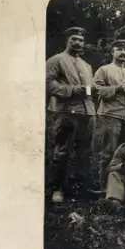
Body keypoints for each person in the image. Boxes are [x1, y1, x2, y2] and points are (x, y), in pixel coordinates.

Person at [45, 26, 96, 202]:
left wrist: (91, 91)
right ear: (67, 40)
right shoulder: (56, 60)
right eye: (74, 38)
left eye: (81, 40)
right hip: (65, 111)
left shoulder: (87, 65)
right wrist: (73, 90)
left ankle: (78, 188)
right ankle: (56, 189)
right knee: (61, 151)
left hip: (86, 112)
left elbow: (89, 89)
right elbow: (49, 84)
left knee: (83, 152)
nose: (77, 42)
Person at [93, 39, 125, 191]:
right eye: (119, 49)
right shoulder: (104, 69)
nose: (123, 52)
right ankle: (103, 187)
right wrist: (117, 88)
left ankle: (120, 186)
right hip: (110, 115)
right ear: (112, 52)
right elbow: (96, 89)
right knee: (107, 151)